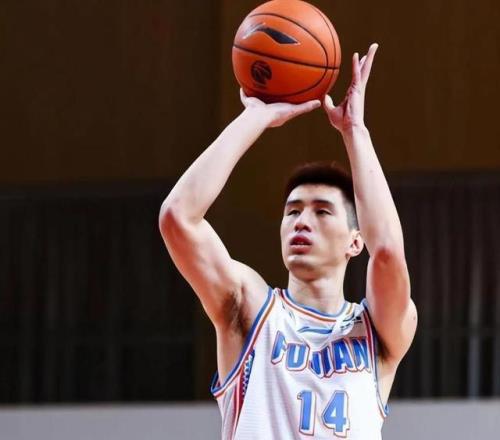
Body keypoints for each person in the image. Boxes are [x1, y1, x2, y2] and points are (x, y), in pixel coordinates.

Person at [159, 44, 417, 439]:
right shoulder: (250, 309)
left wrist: (355, 132)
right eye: (292, 211)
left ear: (355, 242)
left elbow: (387, 252)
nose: (301, 222)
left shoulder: (377, 330)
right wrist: (254, 118)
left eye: (322, 211)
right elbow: (178, 217)